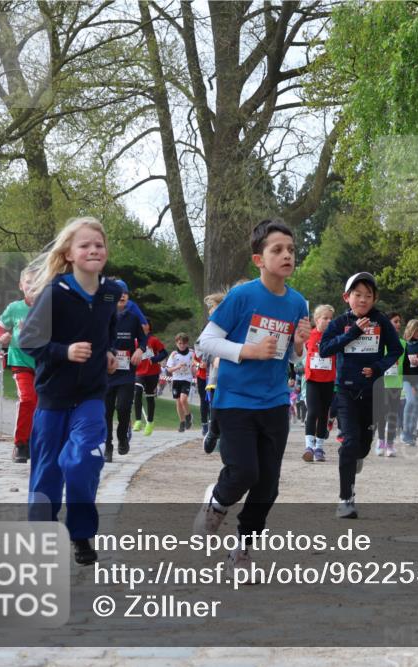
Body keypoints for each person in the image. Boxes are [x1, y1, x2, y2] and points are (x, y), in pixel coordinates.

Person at [192, 219, 310, 578]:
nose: (287, 255)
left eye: (290, 249)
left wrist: (301, 346)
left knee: (267, 485)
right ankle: (216, 502)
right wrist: (248, 350)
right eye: (278, 250)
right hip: (235, 400)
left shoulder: (298, 302)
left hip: (274, 402)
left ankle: (242, 550)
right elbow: (206, 342)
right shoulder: (242, 297)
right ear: (259, 259)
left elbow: (291, 357)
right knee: (244, 471)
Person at [18, 216, 121, 566]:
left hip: (91, 397)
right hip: (53, 398)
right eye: (85, 245)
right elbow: (28, 340)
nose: (94, 250)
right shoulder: (55, 293)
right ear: (69, 253)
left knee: (82, 465)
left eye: (99, 244)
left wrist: (107, 354)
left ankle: (81, 535)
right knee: (47, 472)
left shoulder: (111, 292)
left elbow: (106, 329)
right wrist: (64, 351)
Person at [319, 272, 403, 519]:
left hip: (372, 391)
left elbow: (396, 349)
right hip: (345, 390)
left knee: (363, 447)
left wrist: (377, 367)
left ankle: (356, 457)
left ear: (375, 299)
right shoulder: (340, 322)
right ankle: (346, 499)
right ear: (347, 297)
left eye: (368, 295)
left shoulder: (381, 321)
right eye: (358, 295)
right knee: (350, 442)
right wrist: (352, 333)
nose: (363, 300)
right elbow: (325, 349)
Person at [0, 267, 39, 463]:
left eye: (37, 282)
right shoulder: (14, 308)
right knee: (28, 399)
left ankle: (38, 443)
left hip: (45, 364)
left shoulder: (50, 308)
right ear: (21, 286)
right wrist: (2, 338)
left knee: (43, 405)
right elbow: (1, 328)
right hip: (20, 362)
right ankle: (20, 444)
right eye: (28, 282)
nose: (32, 286)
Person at [103, 279, 146, 461]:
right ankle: (108, 447)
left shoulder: (133, 318)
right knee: (105, 412)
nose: (122, 296)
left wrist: (139, 349)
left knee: (122, 408)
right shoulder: (103, 317)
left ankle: (122, 437)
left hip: (127, 372)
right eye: (118, 293)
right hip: (106, 372)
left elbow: (144, 339)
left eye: (125, 293)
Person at [303, 304, 336, 462]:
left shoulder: (334, 336)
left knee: (324, 414)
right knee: (313, 411)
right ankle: (309, 446)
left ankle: (319, 448)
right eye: (325, 318)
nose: (329, 321)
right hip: (312, 380)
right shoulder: (309, 335)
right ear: (316, 320)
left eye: (331, 318)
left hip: (328, 380)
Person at [201, 290, 230, 454]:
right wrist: (213, 359)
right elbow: (204, 349)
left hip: (234, 377)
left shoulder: (234, 325)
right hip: (216, 377)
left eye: (216, 310)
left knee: (231, 410)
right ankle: (213, 432)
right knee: (216, 407)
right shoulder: (210, 328)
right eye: (211, 311)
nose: (213, 314)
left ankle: (224, 439)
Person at [376, 312, 405, 457]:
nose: (398, 324)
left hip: (396, 384)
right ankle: (381, 441)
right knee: (382, 415)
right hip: (381, 383)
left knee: (393, 414)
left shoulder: (403, 344)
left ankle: (390, 444)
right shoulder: (379, 343)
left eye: (399, 321)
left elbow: (405, 366)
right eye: (395, 321)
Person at [133, 319, 167, 436]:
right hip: (139, 373)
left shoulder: (154, 340)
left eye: (145, 324)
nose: (143, 326)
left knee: (149, 397)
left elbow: (164, 353)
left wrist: (154, 360)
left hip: (152, 373)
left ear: (149, 326)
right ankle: (138, 420)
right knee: (137, 392)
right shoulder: (135, 340)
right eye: (141, 324)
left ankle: (150, 422)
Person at [165, 333, 195, 432]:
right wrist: (178, 367)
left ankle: (188, 416)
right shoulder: (174, 354)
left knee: (183, 399)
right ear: (176, 343)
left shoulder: (191, 352)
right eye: (180, 343)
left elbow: (195, 363)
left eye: (184, 343)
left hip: (186, 378)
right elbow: (168, 370)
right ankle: (182, 422)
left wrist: (195, 370)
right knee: (178, 402)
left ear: (187, 343)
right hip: (176, 379)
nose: (182, 345)